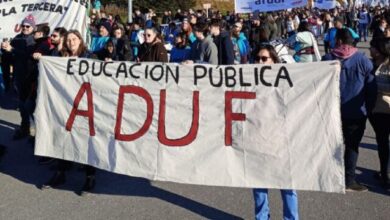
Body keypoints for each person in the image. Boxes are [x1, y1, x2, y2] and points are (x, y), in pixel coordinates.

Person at [42, 30, 97, 196]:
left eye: (74, 39)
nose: (71, 42)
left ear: (80, 41)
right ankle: (61, 173)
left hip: (84, 106)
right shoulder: (60, 57)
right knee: (63, 138)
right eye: (69, 40)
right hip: (64, 104)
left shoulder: (89, 56)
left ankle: (90, 176)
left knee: (86, 141)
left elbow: (97, 78)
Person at [322, 29, 376, 192]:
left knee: (330, 144)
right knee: (352, 146)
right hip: (356, 111)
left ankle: (328, 175)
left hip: (331, 111)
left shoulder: (327, 58)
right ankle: (349, 179)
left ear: (338, 40)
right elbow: (371, 88)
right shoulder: (363, 60)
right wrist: (369, 108)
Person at [252, 44, 299, 220]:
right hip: (257, 138)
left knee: (287, 184)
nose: (259, 62)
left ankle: (291, 218)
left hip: (281, 140)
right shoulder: (247, 79)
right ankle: (262, 217)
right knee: (258, 183)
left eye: (264, 59)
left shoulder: (284, 81)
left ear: (274, 60)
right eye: (257, 58)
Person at [1, 14, 36, 140]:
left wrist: (12, 50)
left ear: (33, 27)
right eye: (23, 25)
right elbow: (10, 57)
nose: (25, 28)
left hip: (31, 77)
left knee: (31, 106)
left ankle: (37, 133)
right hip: (18, 76)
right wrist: (5, 49)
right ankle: (24, 128)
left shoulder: (34, 40)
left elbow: (29, 56)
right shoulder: (17, 38)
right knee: (22, 105)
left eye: (28, 26)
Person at [368, 39, 390, 189]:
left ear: (379, 50)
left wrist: (378, 88)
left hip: (385, 108)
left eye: (372, 47)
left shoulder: (386, 66)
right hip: (376, 110)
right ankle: (384, 172)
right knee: (382, 143)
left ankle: (385, 175)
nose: (369, 49)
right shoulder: (370, 63)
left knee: (384, 143)